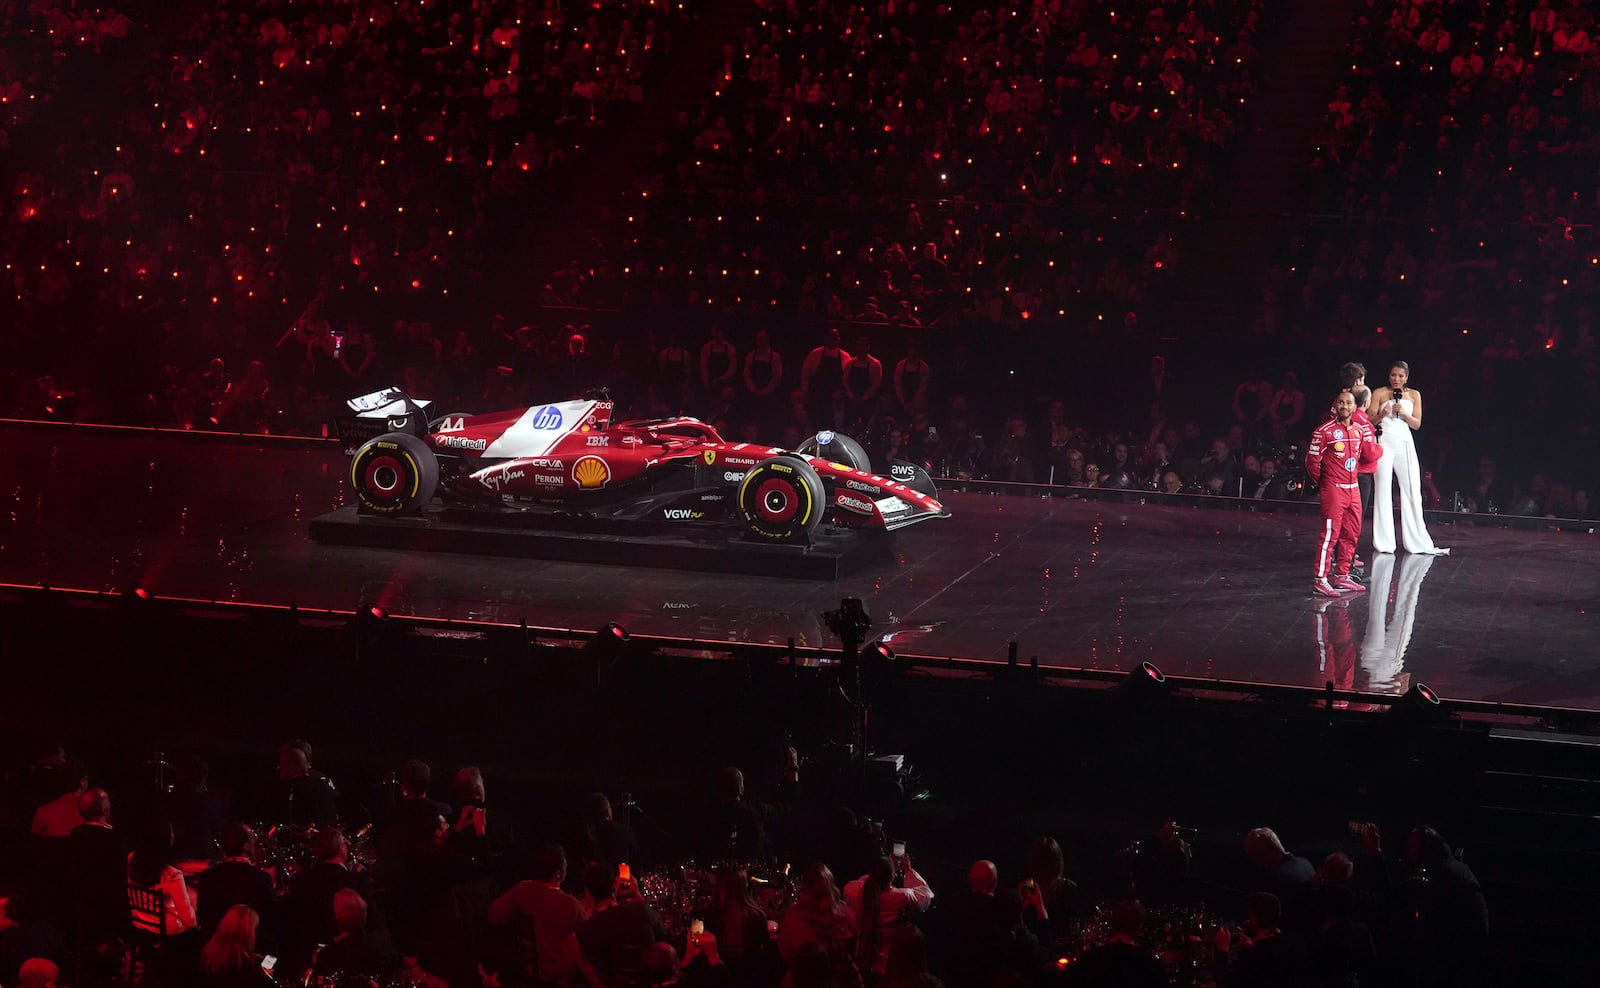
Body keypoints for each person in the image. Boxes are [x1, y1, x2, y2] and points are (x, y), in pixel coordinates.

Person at [1369, 361, 1450, 555]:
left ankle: (1416, 541)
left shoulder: (1414, 395)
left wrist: (1404, 413)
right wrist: (1382, 413)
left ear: (1407, 377)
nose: (1396, 379)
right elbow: (1370, 420)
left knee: (1412, 490)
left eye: (1400, 376)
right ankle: (1384, 543)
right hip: (1383, 443)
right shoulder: (1379, 392)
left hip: (1404, 443)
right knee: (1383, 489)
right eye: (1393, 375)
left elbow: (1417, 424)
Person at [1306, 391, 1383, 598]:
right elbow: (1312, 462)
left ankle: (1342, 575)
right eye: (1341, 402)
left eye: (1348, 403)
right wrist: (1323, 484)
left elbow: (1364, 455)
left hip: (1353, 488)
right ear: (1336, 406)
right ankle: (1320, 579)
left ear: (1354, 406)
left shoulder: (1358, 430)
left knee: (1352, 533)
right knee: (1330, 535)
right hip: (1333, 489)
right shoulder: (1324, 431)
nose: (1345, 406)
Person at [842, 855, 933, 980]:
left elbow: (865, 882)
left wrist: (885, 868)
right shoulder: (900, 896)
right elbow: (926, 896)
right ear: (892, 876)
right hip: (887, 962)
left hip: (860, 958)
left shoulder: (853, 891)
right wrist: (908, 870)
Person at [198, 905, 275, 988]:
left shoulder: (208, 953)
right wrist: (265, 977)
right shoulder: (248, 965)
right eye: (254, 928)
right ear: (248, 932)